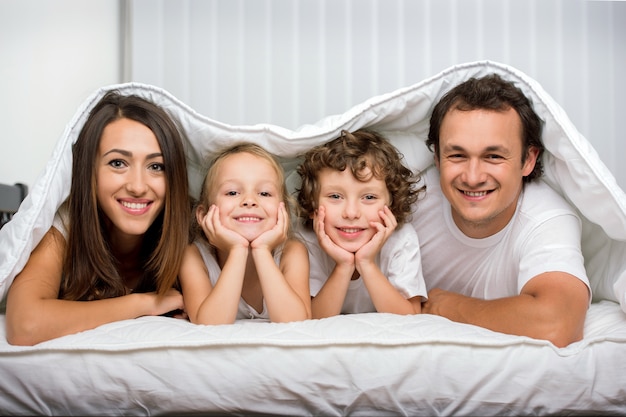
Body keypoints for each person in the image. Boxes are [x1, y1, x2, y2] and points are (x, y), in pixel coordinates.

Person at [415, 74, 591, 348]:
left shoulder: (545, 218)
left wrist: (449, 307)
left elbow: (558, 324)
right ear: (436, 157)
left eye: (493, 156)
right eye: (457, 155)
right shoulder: (410, 199)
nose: (473, 177)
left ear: (528, 160)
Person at [5, 91, 191, 346]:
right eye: (117, 163)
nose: (138, 186)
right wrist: (145, 303)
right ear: (89, 171)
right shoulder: (64, 225)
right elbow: (25, 326)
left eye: (156, 166)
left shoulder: (191, 226)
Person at [296, 129, 427, 319]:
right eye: (335, 196)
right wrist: (344, 266)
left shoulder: (401, 238)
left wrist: (366, 263)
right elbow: (310, 318)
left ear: (392, 204)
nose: (351, 213)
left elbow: (411, 315)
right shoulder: (306, 241)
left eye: (369, 197)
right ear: (312, 206)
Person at [178, 142, 311, 324]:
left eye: (264, 193)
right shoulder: (194, 256)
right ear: (203, 215)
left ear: (284, 212)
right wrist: (237, 250)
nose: (249, 201)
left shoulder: (292, 252)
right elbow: (210, 324)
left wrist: (262, 250)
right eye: (232, 192)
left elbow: (296, 322)